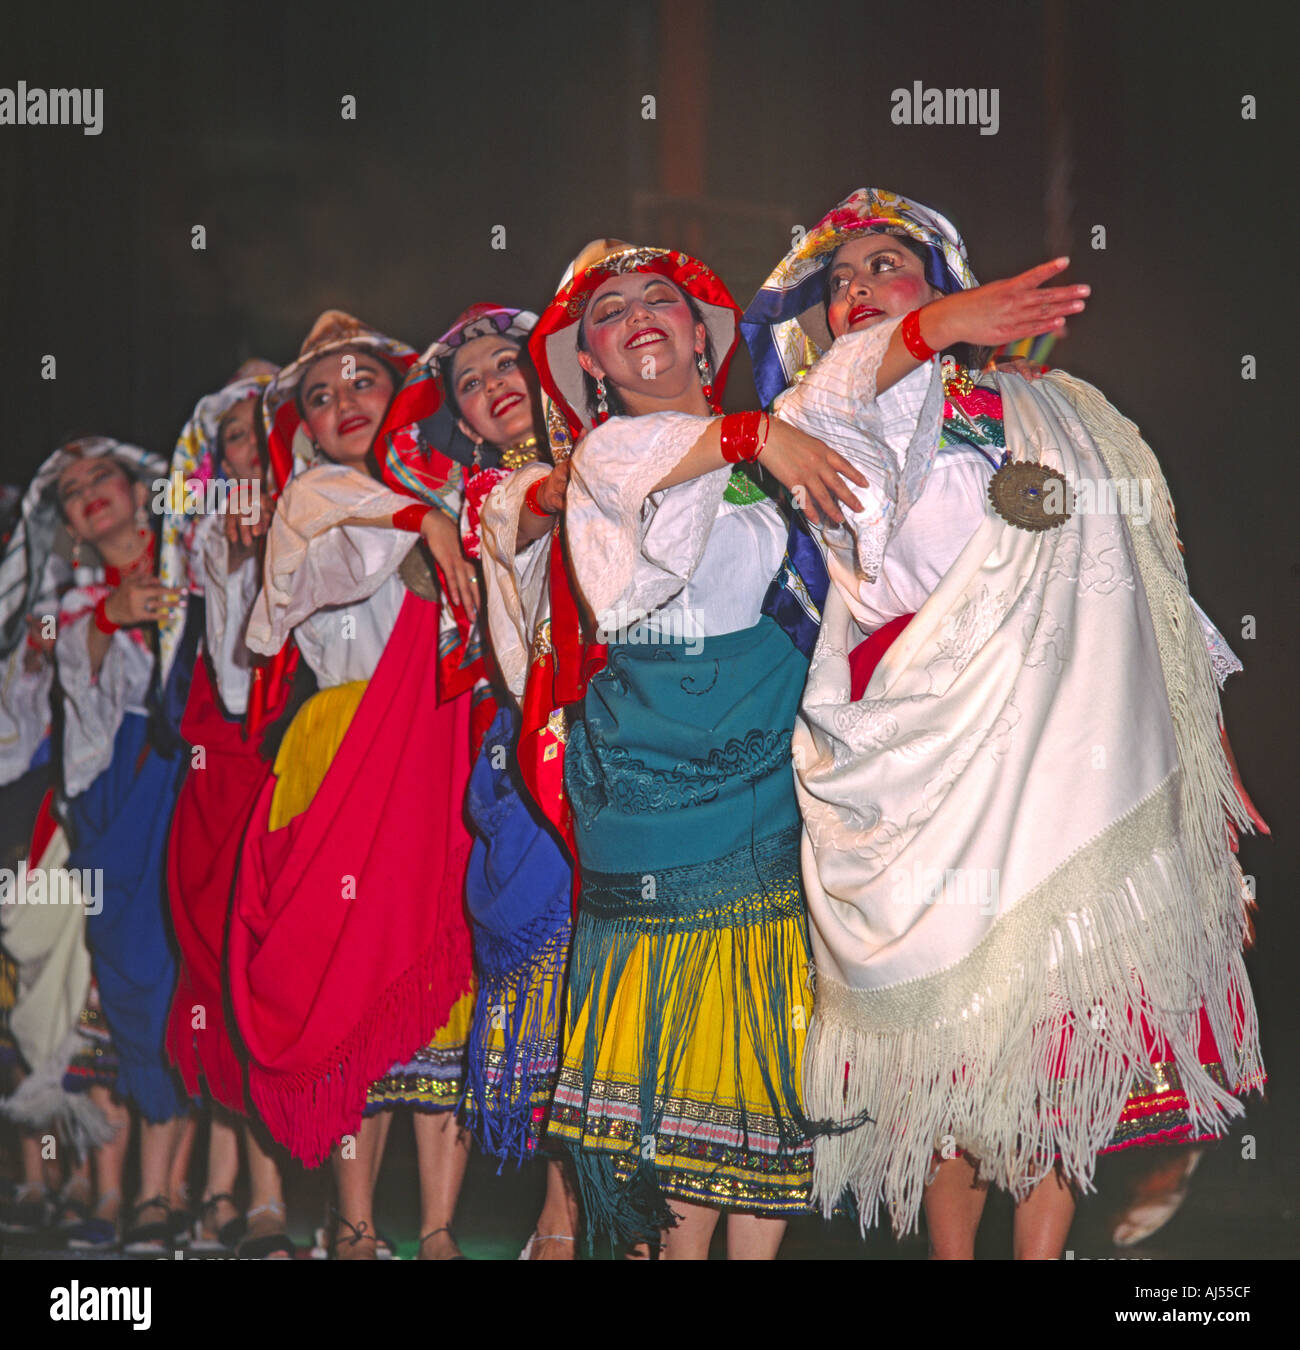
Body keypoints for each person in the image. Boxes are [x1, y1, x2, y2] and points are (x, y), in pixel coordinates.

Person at [742, 187, 1266, 1257]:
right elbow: (834, 405)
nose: (855, 292)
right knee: (954, 1072)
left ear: (944, 275)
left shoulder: (1071, 413)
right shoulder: (848, 408)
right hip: (935, 772)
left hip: (1076, 765)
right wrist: (930, 326)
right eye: (838, 283)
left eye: (884, 267)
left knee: (1052, 1067)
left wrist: (1211, 779)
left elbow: (1156, 605)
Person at [480, 240, 864, 1259]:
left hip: (771, 732)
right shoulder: (608, 454)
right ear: (590, 365)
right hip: (653, 751)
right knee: (678, 1025)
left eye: (663, 298)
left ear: (704, 335)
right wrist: (759, 433)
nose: (639, 313)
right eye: (609, 311)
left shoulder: (773, 443)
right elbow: (653, 475)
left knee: (766, 1023)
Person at [231, 311, 478, 1259]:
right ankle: (355, 1225)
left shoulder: (452, 487)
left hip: (442, 746)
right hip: (341, 749)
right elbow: (327, 546)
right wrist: (422, 519)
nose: (343, 405)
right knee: (346, 994)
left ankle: (443, 1228)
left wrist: (441, 509)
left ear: (404, 389)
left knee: (440, 991)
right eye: (321, 395)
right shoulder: (310, 505)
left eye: (362, 383)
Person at [385, 302, 579, 1258]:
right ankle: (558, 1211)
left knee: (611, 976)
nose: (496, 382)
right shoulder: (477, 505)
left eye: (512, 362)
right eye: (470, 381)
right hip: (529, 749)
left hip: (645, 742)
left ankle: (578, 1216)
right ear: (461, 421)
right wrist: (423, 511)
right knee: (546, 976)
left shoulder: (633, 443)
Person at [46, 437, 198, 1254]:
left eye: (102, 475)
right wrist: (111, 615)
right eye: (72, 490)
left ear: (143, 488)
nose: (90, 493)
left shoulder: (200, 558)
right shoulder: (73, 601)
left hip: (196, 780)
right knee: (122, 977)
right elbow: (69, 680)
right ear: (69, 522)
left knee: (190, 979)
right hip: (119, 797)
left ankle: (166, 1194)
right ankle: (118, 1191)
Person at [159, 360, 296, 1258]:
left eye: (264, 425)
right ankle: (219, 1186)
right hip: (221, 752)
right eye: (236, 434)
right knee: (208, 957)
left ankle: (269, 1190)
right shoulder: (216, 531)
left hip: (292, 744)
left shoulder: (328, 504)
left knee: (264, 963)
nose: (251, 444)